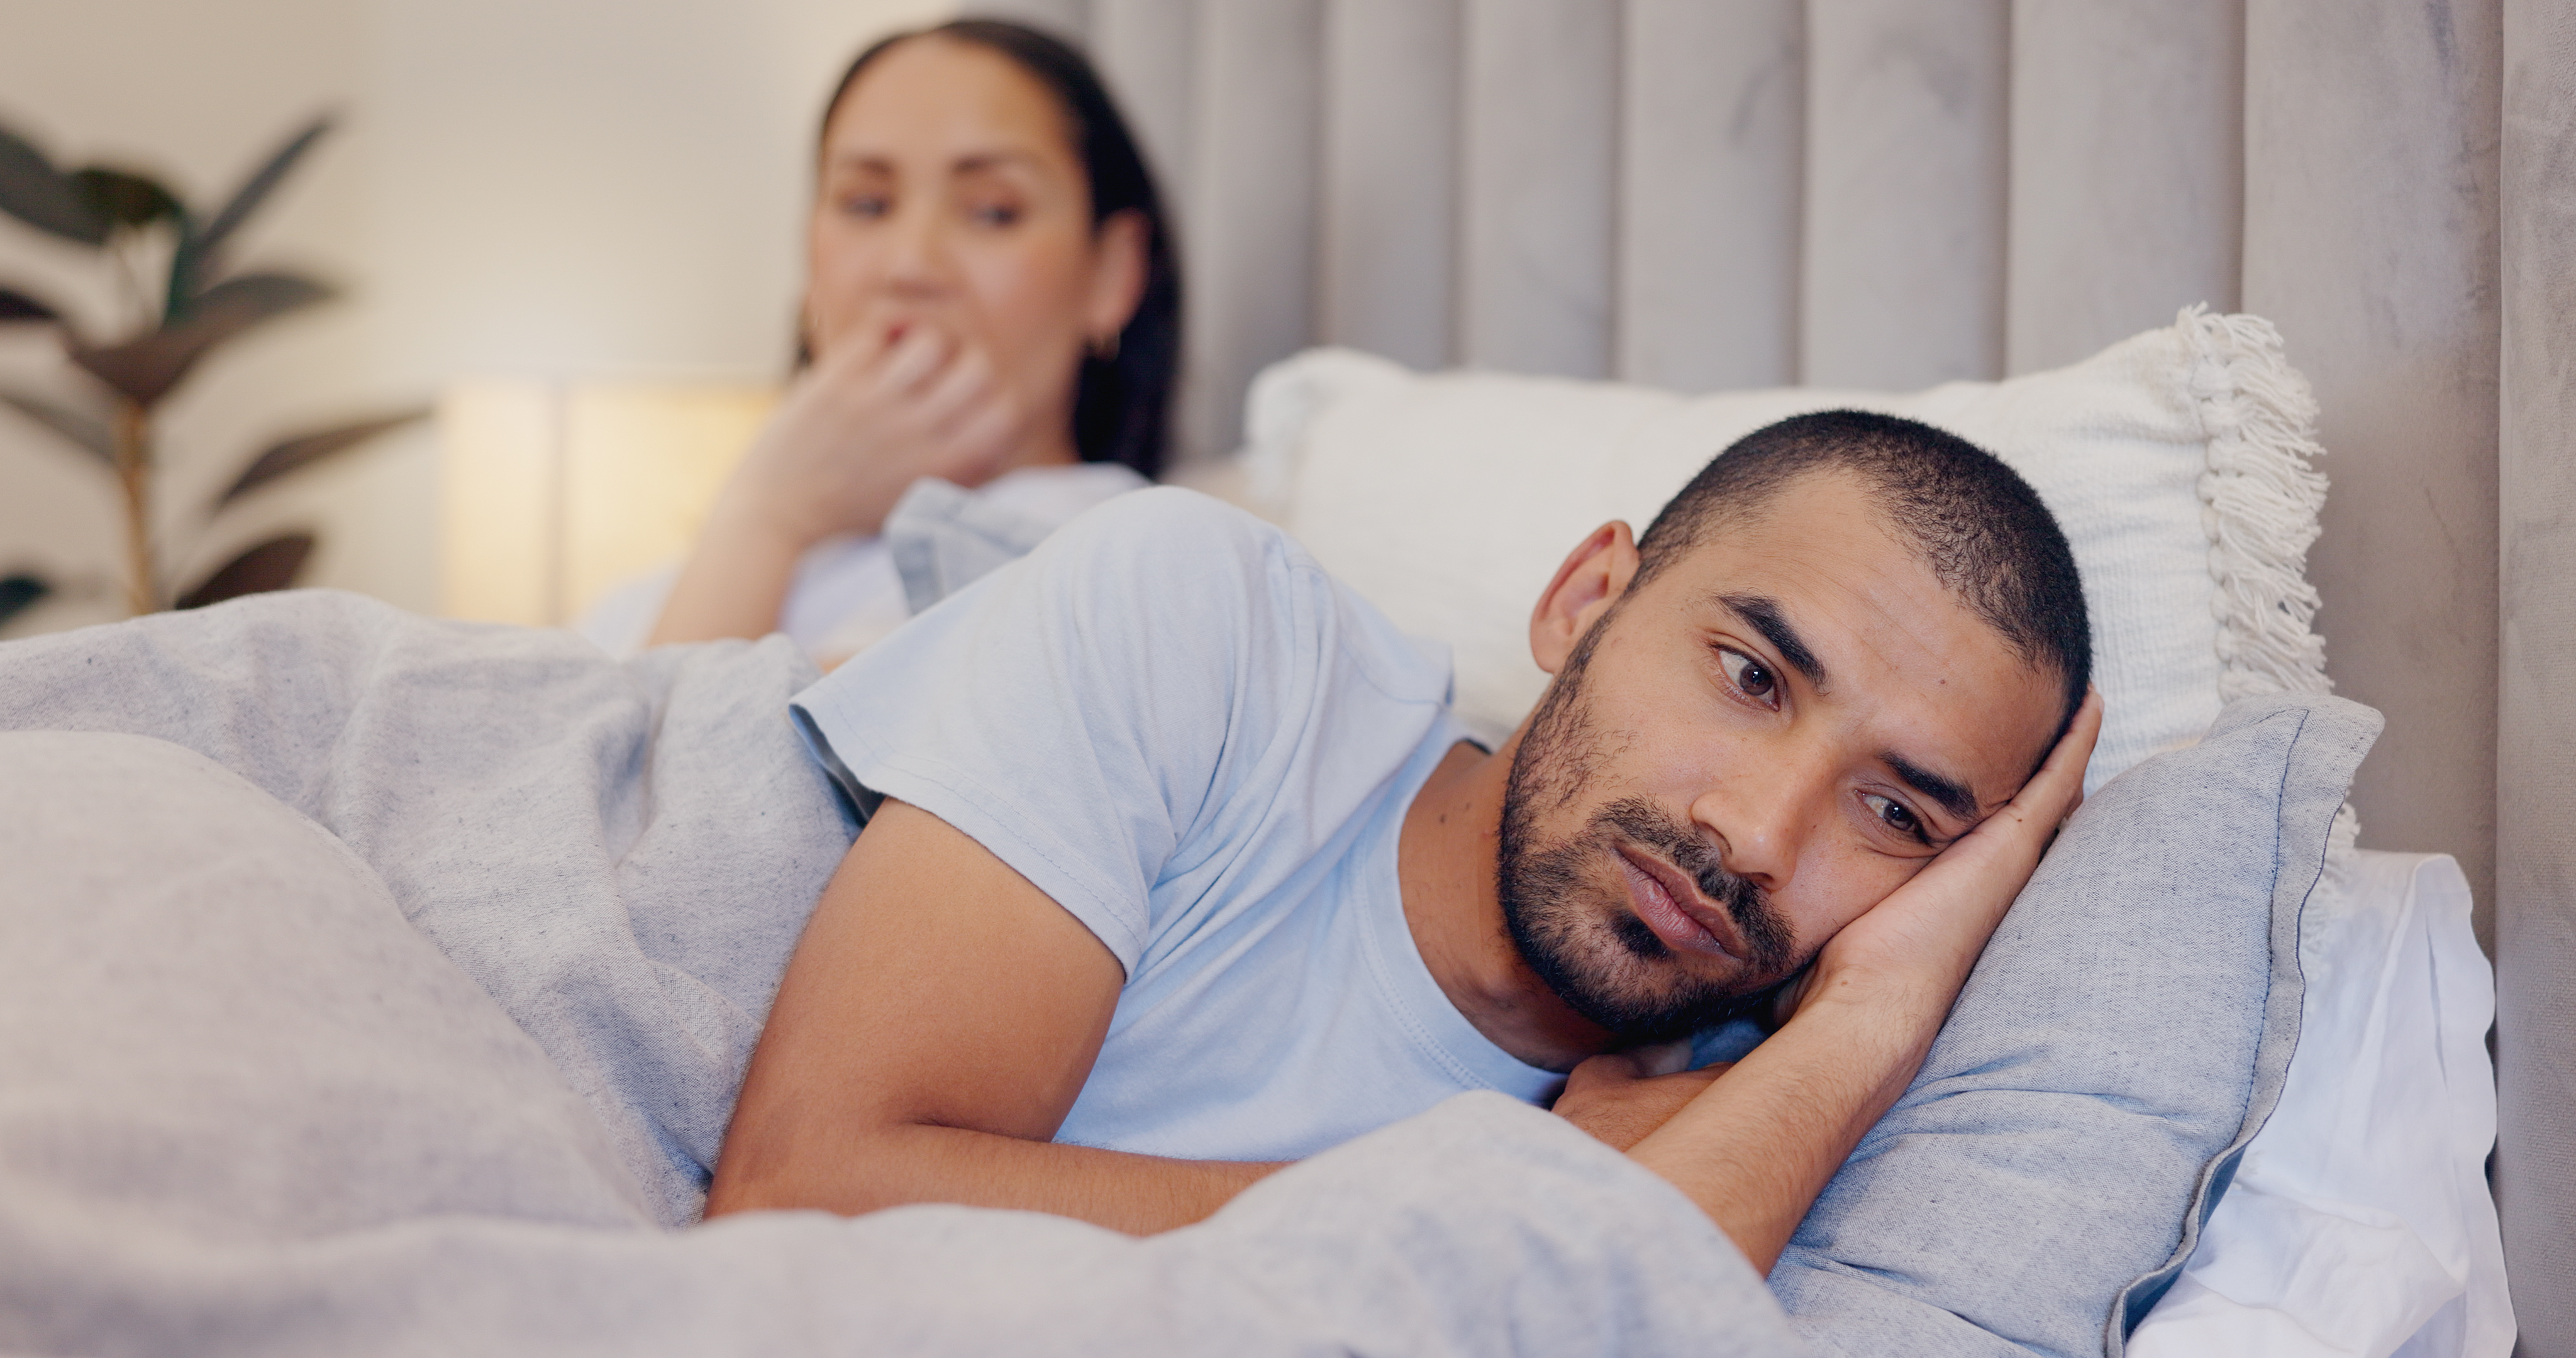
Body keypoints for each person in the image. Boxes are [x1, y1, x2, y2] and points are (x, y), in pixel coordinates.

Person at [709, 409, 2104, 1276]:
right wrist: (1523, 1206)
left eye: (1894, 816)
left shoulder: (1731, 1121)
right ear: (1582, 600)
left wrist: (1875, 1012)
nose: (1749, 833)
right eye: (1747, 676)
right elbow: (799, 1199)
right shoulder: (1215, 626)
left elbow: (1603, 1304)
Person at [580, 19, 1179, 662]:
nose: (910, 265)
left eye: (992, 211)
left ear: (1113, 273)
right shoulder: (646, 599)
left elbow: (713, 764)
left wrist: (764, 516)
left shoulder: (1119, 570)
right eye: (865, 204)